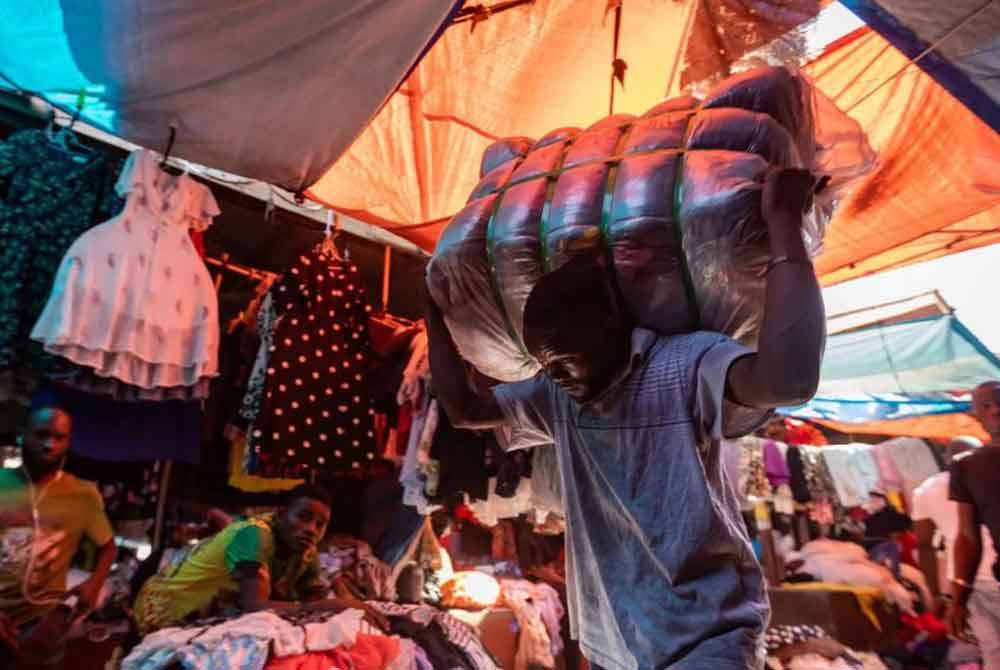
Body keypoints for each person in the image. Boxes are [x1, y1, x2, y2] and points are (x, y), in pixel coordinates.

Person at [426, 168, 825, 670]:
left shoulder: (684, 366)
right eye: (547, 364)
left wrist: (785, 227)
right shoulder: (562, 397)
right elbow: (464, 411)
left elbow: (788, 379)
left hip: (706, 640)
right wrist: (433, 308)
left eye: (567, 360)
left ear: (612, 326)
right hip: (612, 643)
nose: (559, 376)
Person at [133, 484, 388, 634]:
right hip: (161, 614)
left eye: (320, 524)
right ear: (280, 514)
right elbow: (254, 606)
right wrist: (331, 606)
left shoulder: (306, 550)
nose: (311, 529)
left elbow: (314, 599)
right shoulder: (253, 535)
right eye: (304, 516)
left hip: (206, 619)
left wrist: (349, 604)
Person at [0, 407, 117, 668]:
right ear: (23, 435)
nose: (49, 444)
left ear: (68, 442)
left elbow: (108, 547)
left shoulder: (82, 495)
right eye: (41, 434)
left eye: (59, 437)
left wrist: (94, 584)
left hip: (44, 622)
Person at [948, 382, 1000, 667]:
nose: (995, 409)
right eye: (986, 404)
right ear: (974, 413)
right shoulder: (967, 466)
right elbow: (968, 537)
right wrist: (958, 598)